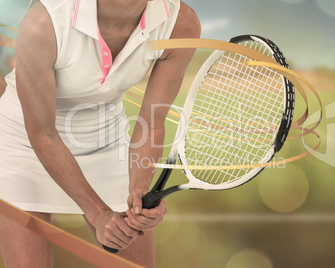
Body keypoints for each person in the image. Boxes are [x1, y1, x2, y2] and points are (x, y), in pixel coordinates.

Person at [0, 0, 200, 267]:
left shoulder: (180, 23)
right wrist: (98, 213)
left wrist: (139, 194)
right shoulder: (43, 22)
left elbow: (151, 123)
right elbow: (43, 133)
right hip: (23, 142)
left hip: (105, 139)